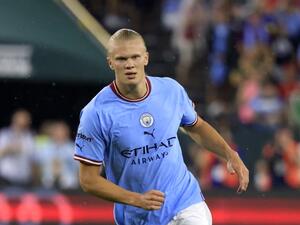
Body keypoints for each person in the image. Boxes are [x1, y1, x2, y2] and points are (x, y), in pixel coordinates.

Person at [73, 28, 249, 225]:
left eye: (135, 57)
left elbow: (196, 126)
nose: (130, 64)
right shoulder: (95, 114)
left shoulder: (171, 90)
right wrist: (136, 199)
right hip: (137, 217)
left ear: (146, 58)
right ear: (110, 62)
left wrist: (229, 153)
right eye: (122, 59)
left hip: (185, 201)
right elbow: (88, 181)